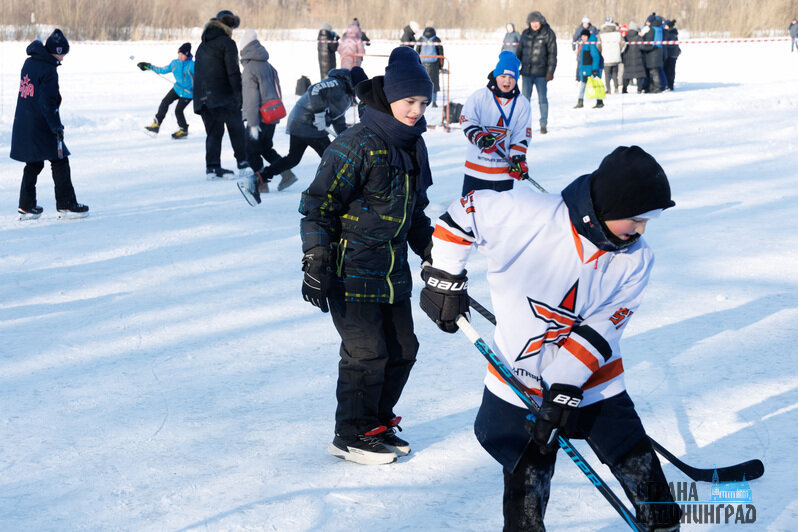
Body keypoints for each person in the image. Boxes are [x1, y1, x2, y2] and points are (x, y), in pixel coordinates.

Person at [418, 145, 681, 532]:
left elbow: (602, 328)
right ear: (607, 207)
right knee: (526, 477)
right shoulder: (531, 214)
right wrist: (446, 278)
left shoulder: (636, 260)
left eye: (648, 221)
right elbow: (464, 213)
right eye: (636, 219)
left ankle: (663, 523)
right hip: (519, 376)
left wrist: (563, 387)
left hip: (593, 378)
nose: (641, 231)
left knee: (633, 457)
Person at [298, 46, 435, 466]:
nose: (416, 110)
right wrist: (315, 260)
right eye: (409, 101)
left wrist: (435, 252)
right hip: (348, 269)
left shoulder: (414, 145)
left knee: (403, 349)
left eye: (423, 103)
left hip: (392, 270)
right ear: (389, 97)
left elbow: (416, 212)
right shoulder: (355, 144)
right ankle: (351, 433)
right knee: (366, 352)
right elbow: (317, 205)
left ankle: (375, 422)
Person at [238, 67, 368, 205]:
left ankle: (257, 179)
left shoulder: (347, 96)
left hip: (304, 124)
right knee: (332, 156)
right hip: (305, 121)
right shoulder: (336, 82)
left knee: (293, 159)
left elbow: (338, 119)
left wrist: (344, 137)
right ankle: (343, 191)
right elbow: (314, 89)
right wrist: (319, 113)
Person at [11, 28, 89, 220]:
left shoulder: (29, 62)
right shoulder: (49, 70)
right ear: (58, 51)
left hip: (25, 120)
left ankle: (26, 205)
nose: (62, 60)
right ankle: (66, 204)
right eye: (63, 55)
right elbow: (48, 104)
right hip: (41, 123)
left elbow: (32, 92)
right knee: (60, 160)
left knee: (34, 162)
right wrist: (57, 127)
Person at [460, 51, 531, 196]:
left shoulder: (522, 104)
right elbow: (466, 119)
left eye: (511, 77)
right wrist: (478, 136)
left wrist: (518, 159)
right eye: (503, 76)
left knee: (500, 215)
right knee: (470, 213)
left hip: (503, 173)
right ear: (495, 76)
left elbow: (521, 134)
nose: (507, 81)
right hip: (476, 169)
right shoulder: (480, 96)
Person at [237, 29, 296, 196]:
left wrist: (253, 124)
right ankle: (286, 173)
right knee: (266, 148)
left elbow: (251, 98)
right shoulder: (269, 66)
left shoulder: (249, 69)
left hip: (259, 117)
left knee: (252, 152)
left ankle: (261, 184)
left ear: (245, 50)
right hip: (272, 114)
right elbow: (277, 90)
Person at [193, 9, 250, 179]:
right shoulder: (227, 43)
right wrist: (239, 96)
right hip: (222, 96)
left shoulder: (202, 45)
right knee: (236, 128)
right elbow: (232, 72)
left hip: (203, 98)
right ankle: (243, 163)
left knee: (214, 132)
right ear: (229, 26)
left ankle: (212, 168)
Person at [138, 43, 195, 139]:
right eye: (179, 54)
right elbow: (163, 70)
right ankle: (156, 125)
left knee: (178, 111)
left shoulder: (192, 65)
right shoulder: (174, 63)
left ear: (187, 55)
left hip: (188, 93)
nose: (180, 56)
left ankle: (183, 130)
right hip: (177, 89)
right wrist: (148, 66)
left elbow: (203, 77)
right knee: (165, 102)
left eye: (183, 55)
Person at [516, 11, 556, 134]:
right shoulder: (525, 34)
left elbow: (552, 55)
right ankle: (523, 124)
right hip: (526, 74)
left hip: (541, 74)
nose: (534, 24)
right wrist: (514, 68)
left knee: (542, 100)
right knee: (524, 100)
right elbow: (519, 52)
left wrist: (550, 72)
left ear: (541, 22)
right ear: (529, 23)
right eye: (532, 22)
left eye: (536, 22)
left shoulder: (548, 34)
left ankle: (543, 124)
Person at [415, 21, 444, 107]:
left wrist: (417, 63)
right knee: (434, 83)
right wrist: (441, 65)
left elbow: (417, 51)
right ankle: (434, 102)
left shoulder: (421, 38)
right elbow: (441, 52)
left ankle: (422, 101)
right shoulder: (436, 39)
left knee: (423, 82)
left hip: (423, 62)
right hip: (434, 63)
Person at [574, 29, 603, 109]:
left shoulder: (591, 44)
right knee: (583, 85)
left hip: (591, 69)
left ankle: (599, 101)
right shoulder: (584, 44)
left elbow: (595, 57)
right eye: (582, 36)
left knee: (595, 85)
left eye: (585, 36)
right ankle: (580, 102)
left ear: (588, 36)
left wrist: (594, 69)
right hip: (584, 69)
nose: (583, 38)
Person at [641, 14, 665, 93]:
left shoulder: (652, 30)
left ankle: (656, 88)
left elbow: (648, 41)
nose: (647, 23)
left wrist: (642, 40)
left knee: (654, 72)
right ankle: (654, 87)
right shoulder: (659, 28)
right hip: (657, 52)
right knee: (655, 71)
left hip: (652, 53)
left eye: (648, 21)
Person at [598, 18, 623, 94]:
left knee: (607, 75)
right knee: (615, 73)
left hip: (606, 57)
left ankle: (608, 90)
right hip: (616, 57)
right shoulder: (618, 34)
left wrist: (602, 51)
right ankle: (616, 88)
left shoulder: (601, 34)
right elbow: (623, 43)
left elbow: (598, 45)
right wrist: (619, 51)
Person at [622, 22, 647, 94]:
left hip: (627, 58)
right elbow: (642, 47)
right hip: (638, 58)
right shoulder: (638, 37)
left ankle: (624, 89)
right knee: (639, 74)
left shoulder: (625, 37)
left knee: (627, 74)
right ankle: (639, 89)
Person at [662, 19, 681, 91]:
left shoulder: (670, 33)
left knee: (670, 70)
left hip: (671, 55)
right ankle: (670, 84)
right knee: (670, 70)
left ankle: (670, 85)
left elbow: (671, 45)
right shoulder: (673, 32)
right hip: (673, 54)